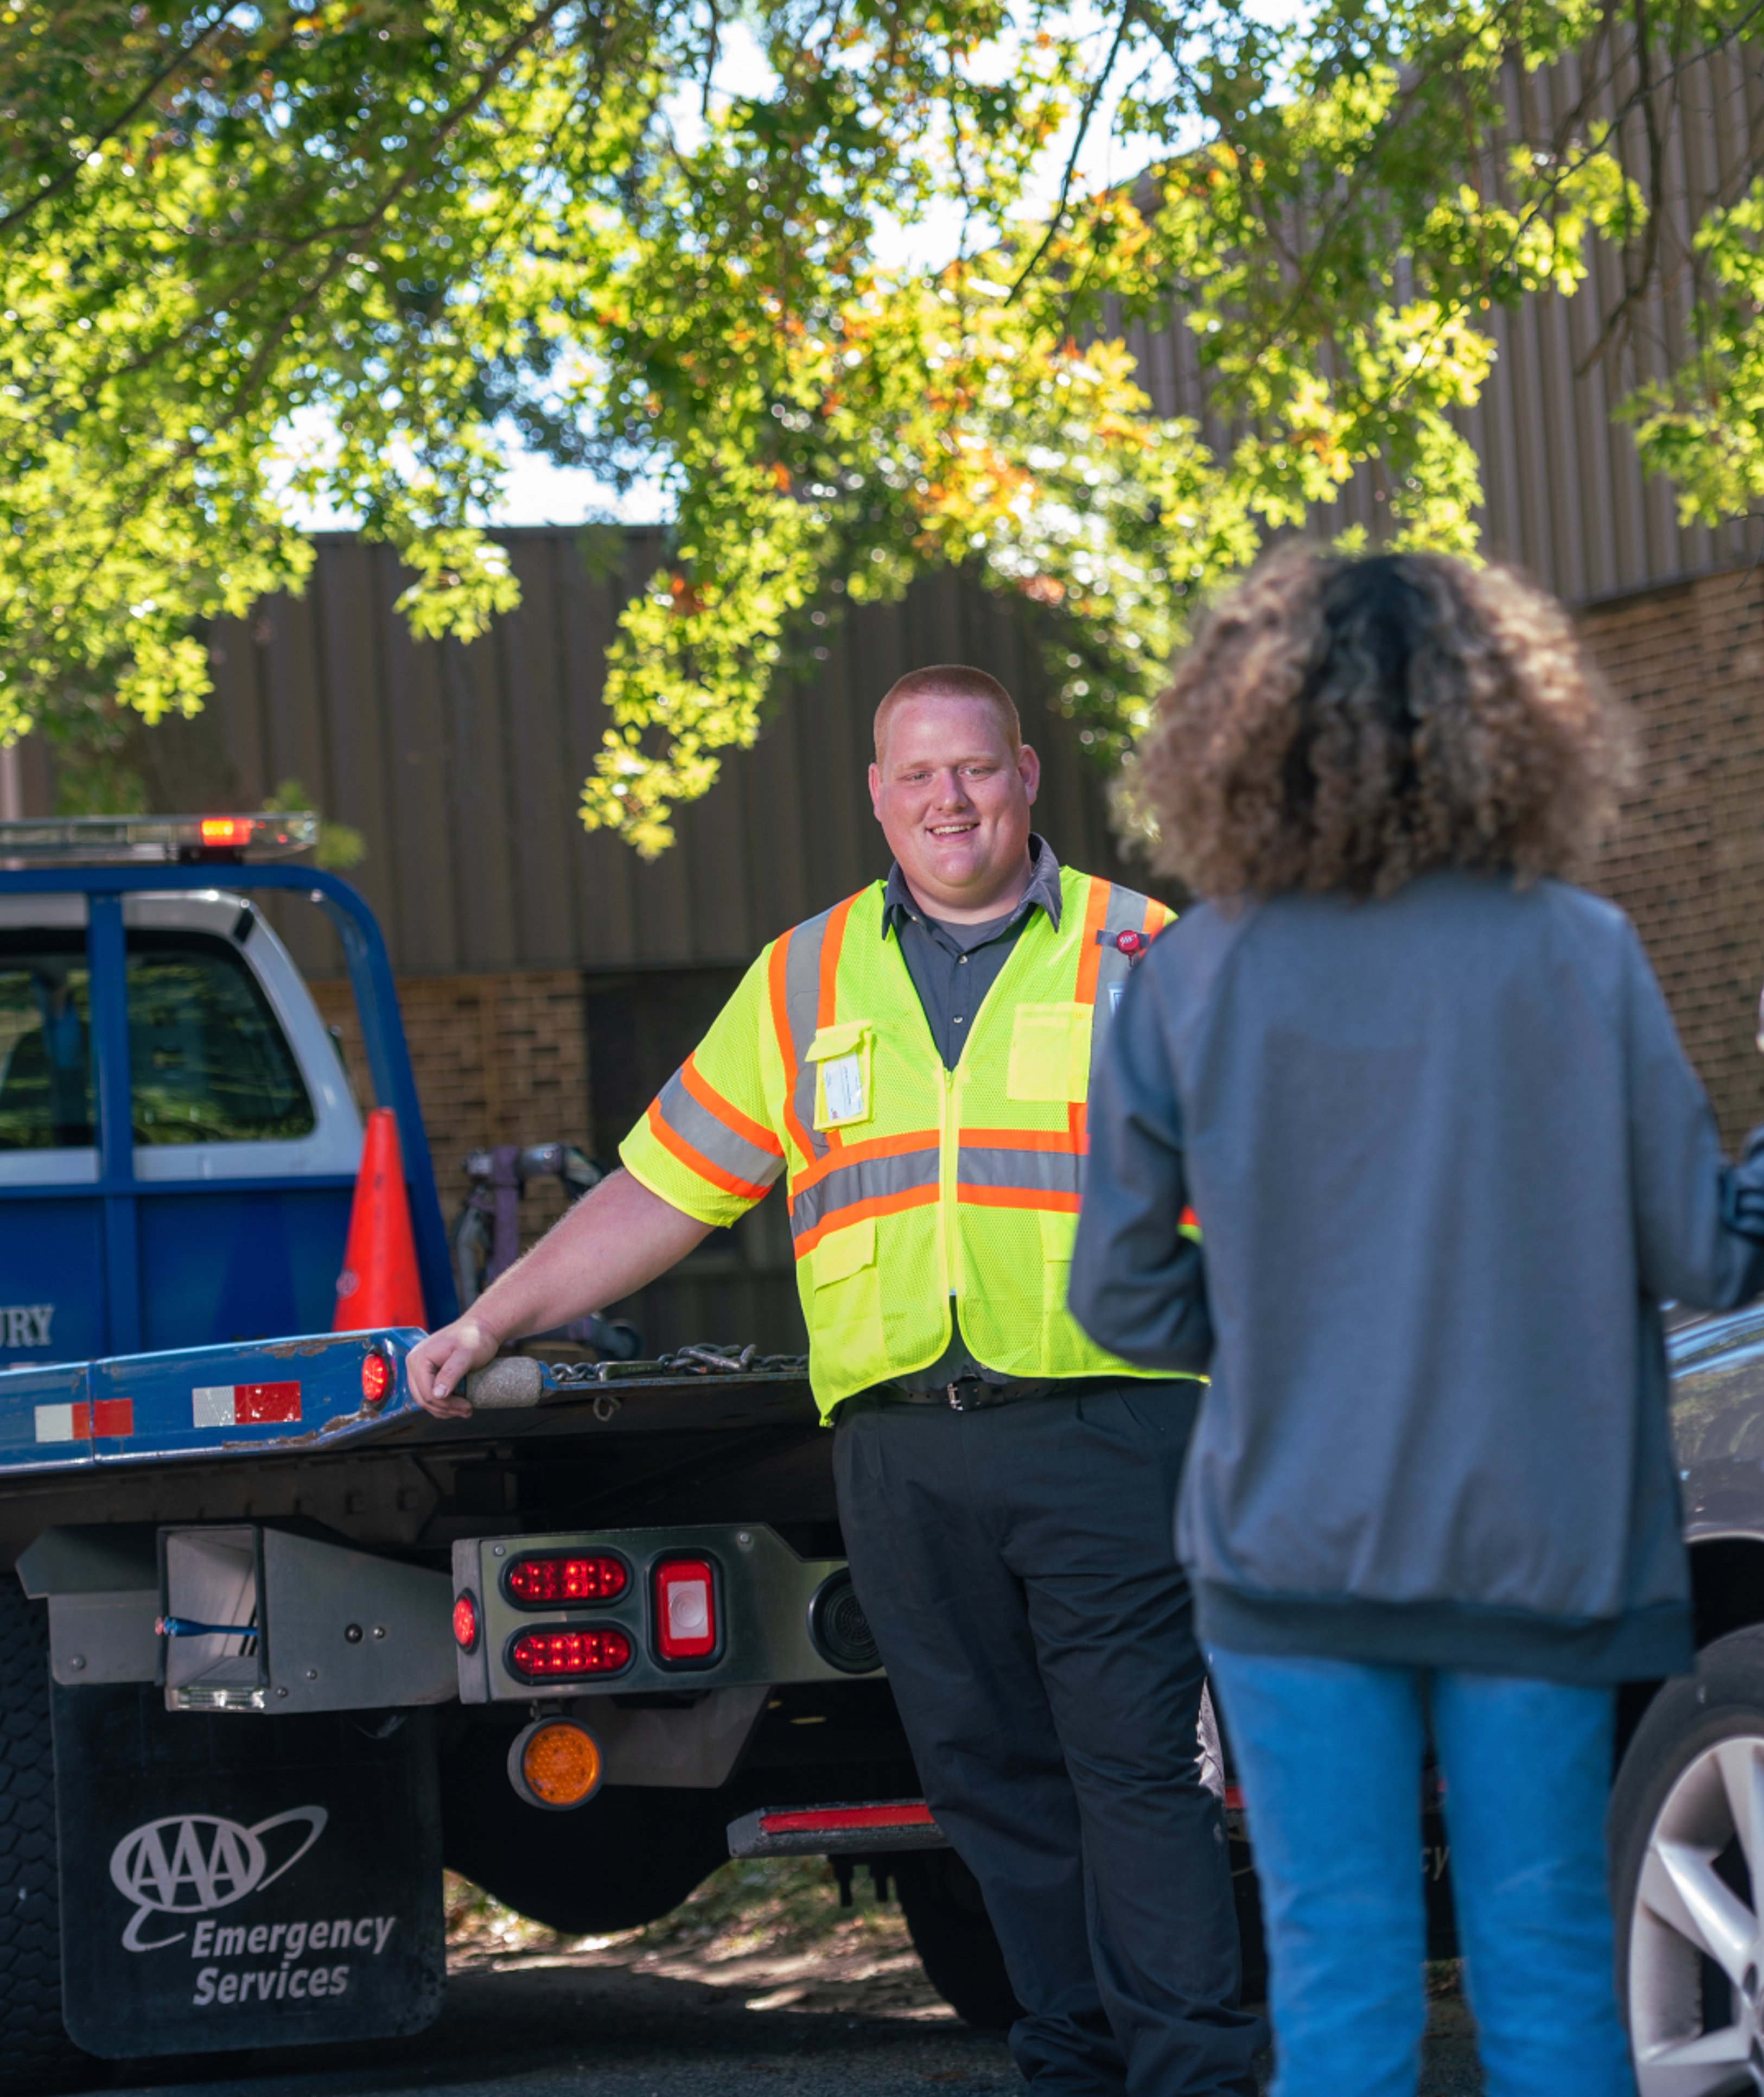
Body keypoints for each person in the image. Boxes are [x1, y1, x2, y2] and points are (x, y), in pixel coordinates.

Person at [408, 662, 1264, 2097]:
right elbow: (665, 1188)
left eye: (974, 768)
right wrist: (491, 1317)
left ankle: (1200, 2078)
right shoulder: (804, 976)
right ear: (877, 794)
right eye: (917, 773)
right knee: (989, 1781)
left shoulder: (1145, 956)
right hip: (899, 1451)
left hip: (1111, 1426)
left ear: (1026, 774)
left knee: (1139, 1778)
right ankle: (1074, 2063)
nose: (948, 797)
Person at [1068, 546, 1764, 2097]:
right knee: (1545, 1972)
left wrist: (1274, 1321)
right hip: (1537, 1545)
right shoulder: (1578, 951)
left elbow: (1116, 1296)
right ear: (1512, 725)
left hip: (1288, 1548)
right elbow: (1706, 1251)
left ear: (1237, 737)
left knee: (1339, 1984)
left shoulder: (1186, 978)